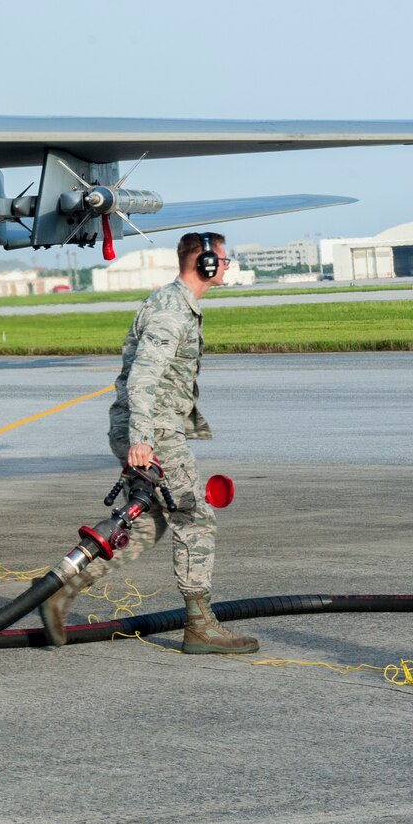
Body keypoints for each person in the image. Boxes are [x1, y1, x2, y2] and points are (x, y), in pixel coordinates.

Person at [39, 231, 259, 654]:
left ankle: (62, 589)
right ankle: (200, 626)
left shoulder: (174, 304)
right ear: (206, 264)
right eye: (224, 260)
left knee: (150, 520)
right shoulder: (171, 312)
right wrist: (142, 440)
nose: (227, 266)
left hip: (151, 428)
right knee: (195, 518)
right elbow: (143, 378)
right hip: (153, 432)